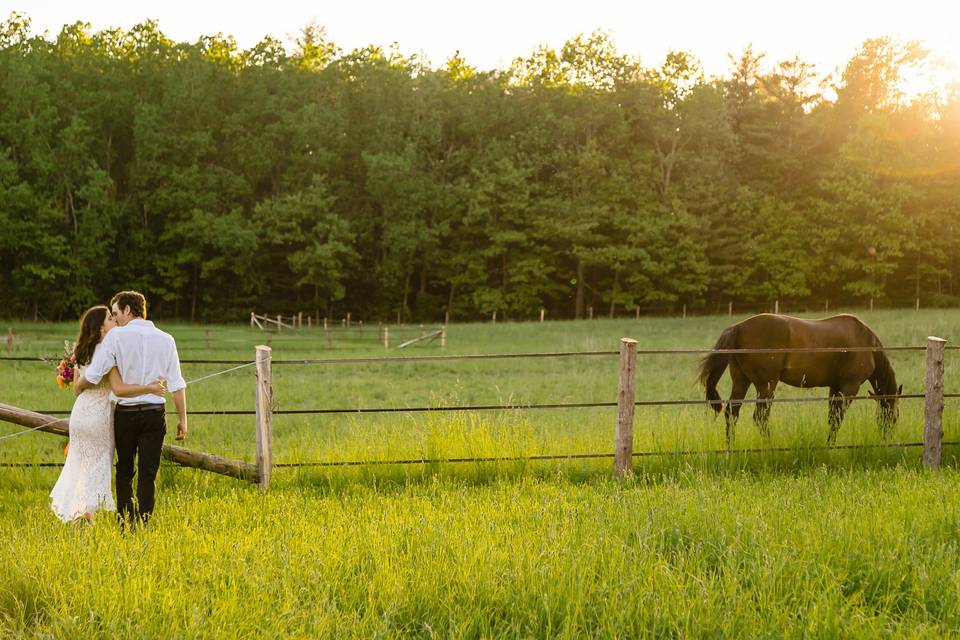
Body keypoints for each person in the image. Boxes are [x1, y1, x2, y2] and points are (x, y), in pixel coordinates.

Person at [74, 291, 187, 526]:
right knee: (148, 471)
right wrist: (183, 419)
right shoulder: (167, 339)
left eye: (116, 313)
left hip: (125, 415)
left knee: (124, 469)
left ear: (128, 310)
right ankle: (143, 523)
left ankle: (126, 524)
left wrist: (77, 385)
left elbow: (94, 374)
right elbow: (176, 383)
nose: (115, 319)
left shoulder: (116, 338)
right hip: (155, 415)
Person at [50, 305, 165, 524]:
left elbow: (75, 389)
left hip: (81, 413)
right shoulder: (108, 350)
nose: (115, 322)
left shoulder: (80, 350)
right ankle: (85, 517)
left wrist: (85, 382)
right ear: (102, 328)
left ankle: (79, 513)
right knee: (97, 466)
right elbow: (118, 388)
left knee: (81, 464)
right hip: (100, 415)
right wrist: (149, 388)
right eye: (110, 319)